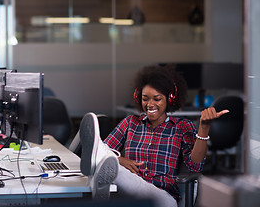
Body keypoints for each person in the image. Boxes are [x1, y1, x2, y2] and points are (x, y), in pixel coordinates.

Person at [79, 65, 229, 207]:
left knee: (107, 162)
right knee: (107, 158)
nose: (150, 104)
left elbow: (195, 166)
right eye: (145, 99)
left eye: (156, 99)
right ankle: (104, 166)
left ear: (169, 99)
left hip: (163, 198)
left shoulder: (182, 127)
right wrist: (119, 159)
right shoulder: (130, 122)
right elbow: (109, 148)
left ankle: (103, 171)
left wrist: (204, 127)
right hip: (129, 193)